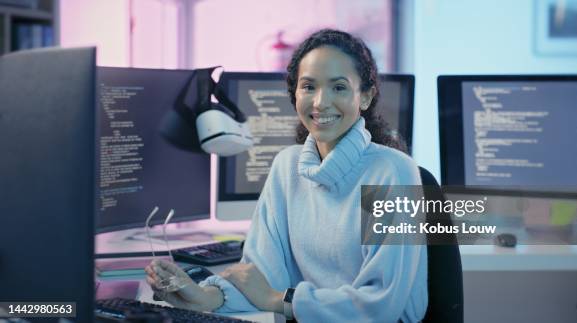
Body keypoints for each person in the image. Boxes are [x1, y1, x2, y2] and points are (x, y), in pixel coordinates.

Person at [146, 29, 428, 322]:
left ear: (365, 97)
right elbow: (260, 273)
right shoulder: (286, 166)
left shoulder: (394, 172)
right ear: (295, 95)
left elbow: (379, 306)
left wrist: (278, 299)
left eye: (339, 87)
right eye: (308, 87)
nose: (320, 102)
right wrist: (205, 297)